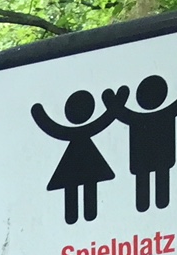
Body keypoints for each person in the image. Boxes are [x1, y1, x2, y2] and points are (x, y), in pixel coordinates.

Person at [32, 87, 126, 225]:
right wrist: (117, 101)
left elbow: (52, 127)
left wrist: (38, 113)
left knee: (83, 185)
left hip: (78, 159)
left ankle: (85, 215)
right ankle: (81, 215)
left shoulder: (71, 132)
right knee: (81, 185)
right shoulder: (88, 129)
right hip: (84, 157)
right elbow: (106, 118)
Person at [115, 70, 177, 211]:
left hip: (151, 156)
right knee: (152, 176)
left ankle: (150, 204)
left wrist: (113, 100)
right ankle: (151, 203)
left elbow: (121, 113)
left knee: (150, 177)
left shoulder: (139, 119)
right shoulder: (165, 114)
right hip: (151, 156)